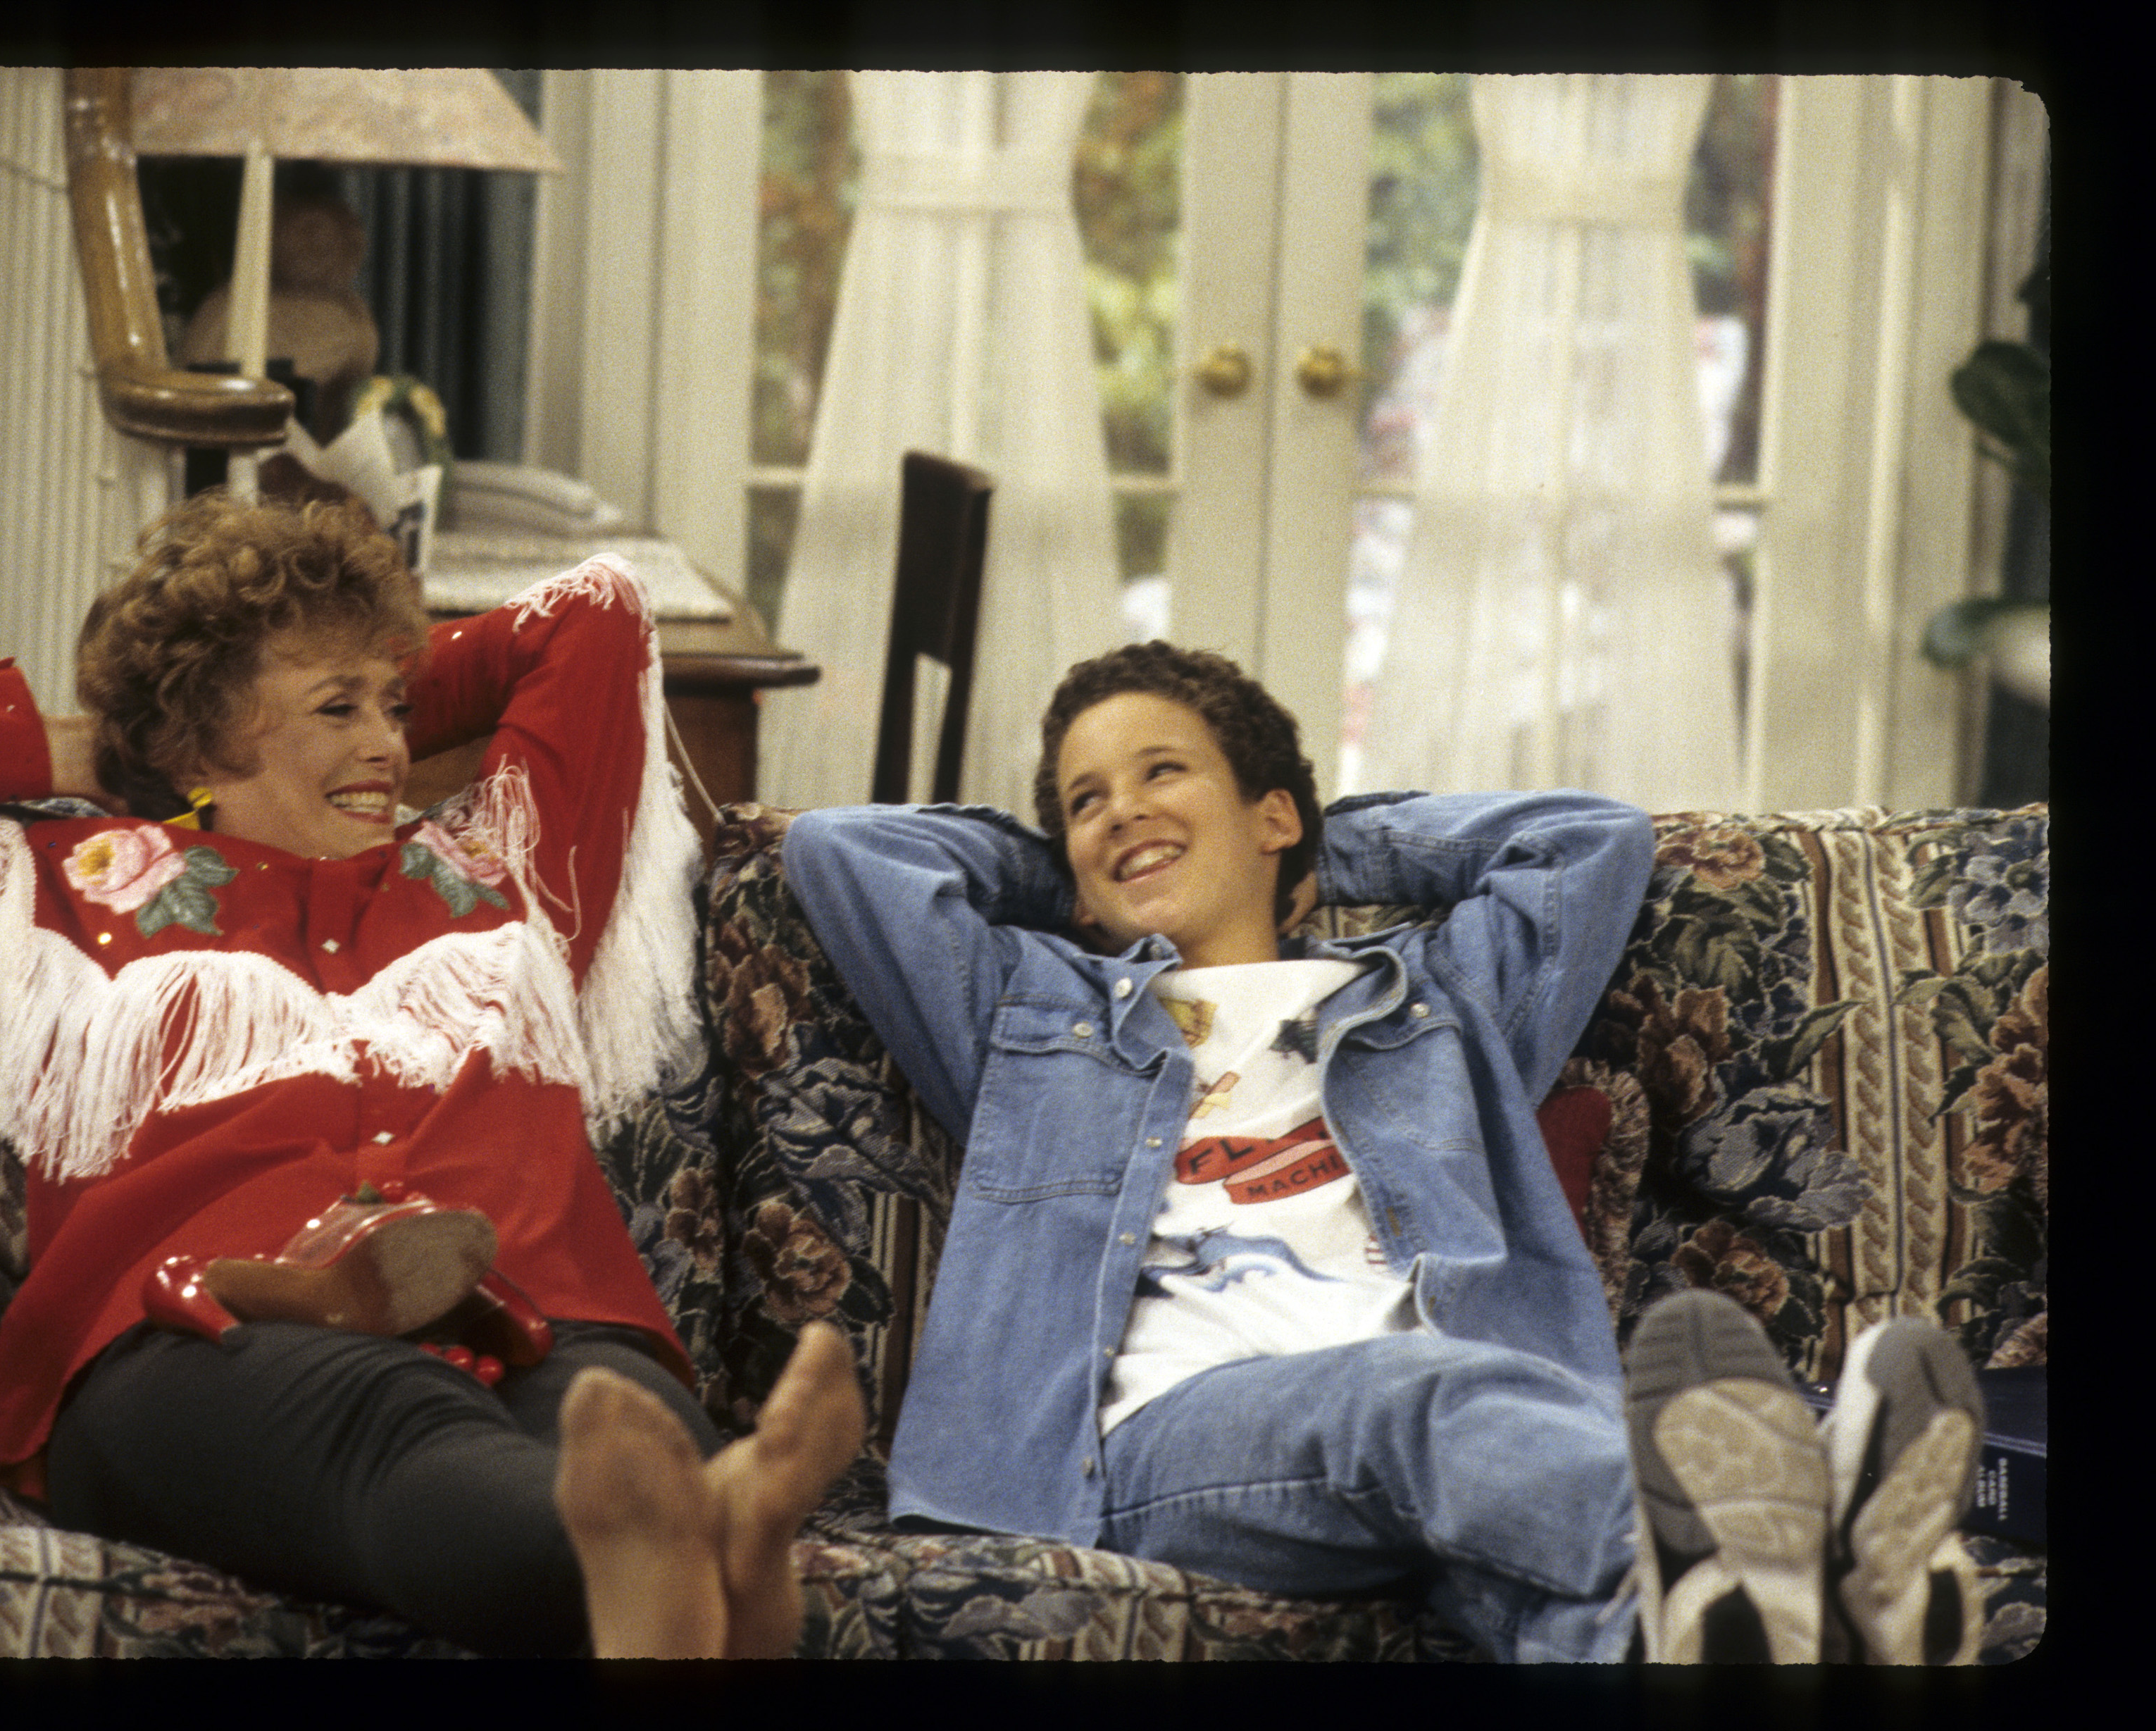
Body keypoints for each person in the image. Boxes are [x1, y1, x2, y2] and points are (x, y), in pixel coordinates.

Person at [0, 491, 863, 1658]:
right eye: (339, 708)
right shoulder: (45, 896)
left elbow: (600, 614)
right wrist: (101, 742)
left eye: (399, 704)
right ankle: (723, 1540)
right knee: (409, 1428)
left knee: (617, 1424)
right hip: (204, 1337)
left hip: (544, 1314)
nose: (392, 745)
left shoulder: (504, 864)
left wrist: (346, 680)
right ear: (206, 735)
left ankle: (696, 1548)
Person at [778, 640, 1987, 1664]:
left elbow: (1588, 844)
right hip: (1158, 1444)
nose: (1123, 809)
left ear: (1271, 813)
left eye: (1163, 773)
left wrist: (1319, 848)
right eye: (1085, 799)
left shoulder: (1437, 1000)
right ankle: (1816, 1529)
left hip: (1472, 1439)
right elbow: (847, 854)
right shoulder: (1035, 1007)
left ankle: (1785, 1619)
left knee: (1553, 1606)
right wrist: (1073, 875)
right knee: (1407, 1392)